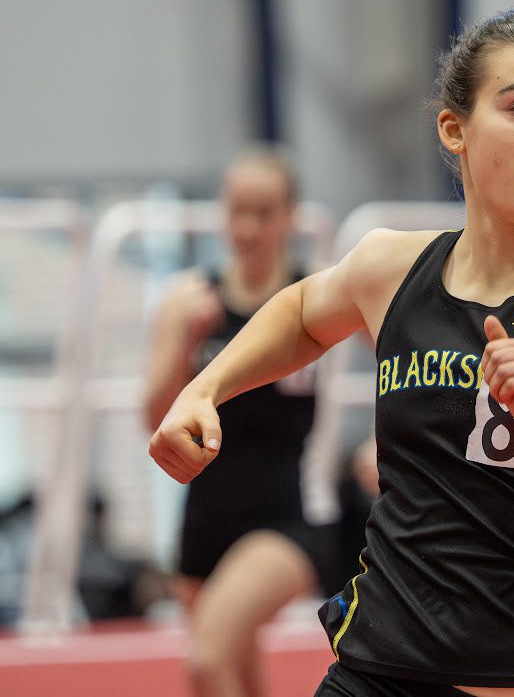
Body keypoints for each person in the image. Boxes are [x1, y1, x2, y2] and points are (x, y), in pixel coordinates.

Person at [149, 8, 514, 697]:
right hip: (379, 669)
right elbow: (300, 313)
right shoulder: (390, 264)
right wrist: (204, 388)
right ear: (455, 129)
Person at [143, 142, 337, 697]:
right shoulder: (188, 300)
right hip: (203, 521)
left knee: (207, 657)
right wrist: (186, 343)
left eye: (265, 212)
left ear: (291, 217)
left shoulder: (315, 296)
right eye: (237, 211)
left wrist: (379, 444)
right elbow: (154, 420)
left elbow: (403, 355)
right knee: (232, 675)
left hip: (283, 521)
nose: (249, 227)